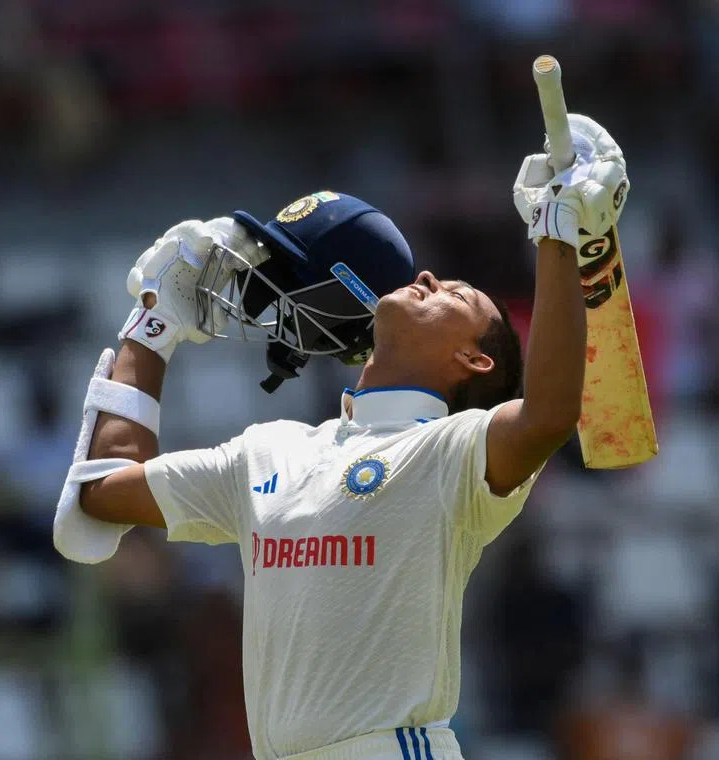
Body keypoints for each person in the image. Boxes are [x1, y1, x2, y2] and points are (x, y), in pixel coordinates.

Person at [52, 114, 629, 760]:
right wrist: (156, 323)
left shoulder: (453, 454)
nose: (431, 279)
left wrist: (561, 230)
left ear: (474, 363)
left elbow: (549, 414)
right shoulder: (267, 451)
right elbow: (100, 494)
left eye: (458, 297)